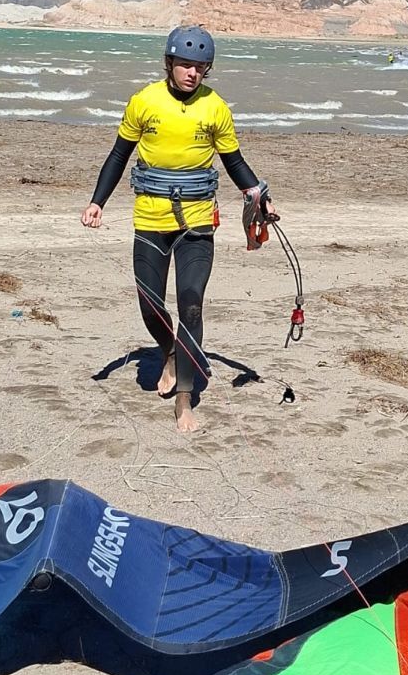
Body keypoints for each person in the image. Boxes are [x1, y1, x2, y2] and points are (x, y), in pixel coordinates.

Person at [81, 26, 276, 432]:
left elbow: (234, 162)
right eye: (185, 64)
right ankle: (169, 349)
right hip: (150, 218)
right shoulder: (144, 102)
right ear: (169, 63)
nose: (192, 73)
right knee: (150, 304)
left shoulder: (215, 108)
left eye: (200, 67)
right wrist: (97, 201)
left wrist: (258, 196)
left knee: (191, 303)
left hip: (197, 221)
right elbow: (118, 155)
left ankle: (185, 399)